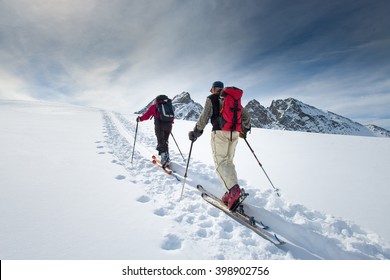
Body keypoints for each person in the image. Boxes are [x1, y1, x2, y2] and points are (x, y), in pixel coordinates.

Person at [188, 81, 251, 210]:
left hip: (219, 132)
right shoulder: (232, 98)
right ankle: (231, 192)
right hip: (234, 134)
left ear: (213, 90)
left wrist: (196, 132)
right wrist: (244, 130)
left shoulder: (212, 98)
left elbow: (204, 116)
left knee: (220, 163)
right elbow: (246, 116)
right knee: (228, 162)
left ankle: (233, 190)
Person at [137, 95, 174, 167]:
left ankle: (164, 159)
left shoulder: (154, 106)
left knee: (161, 141)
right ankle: (167, 157)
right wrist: (169, 124)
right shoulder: (169, 106)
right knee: (165, 141)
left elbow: (147, 115)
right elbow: (172, 117)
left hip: (159, 126)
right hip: (169, 126)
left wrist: (139, 119)